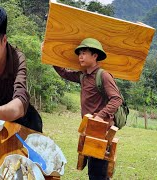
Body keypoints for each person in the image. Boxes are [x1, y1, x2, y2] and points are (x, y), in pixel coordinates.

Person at [52, 38, 122, 179]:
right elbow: (64, 73)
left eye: (84, 53)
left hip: (102, 132)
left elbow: (116, 99)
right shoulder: (83, 76)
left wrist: (100, 116)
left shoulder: (104, 76)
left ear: (95, 56)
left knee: (98, 173)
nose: (80, 56)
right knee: (93, 171)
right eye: (79, 54)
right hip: (90, 130)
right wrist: (50, 56)